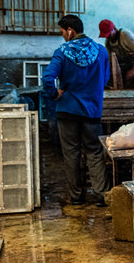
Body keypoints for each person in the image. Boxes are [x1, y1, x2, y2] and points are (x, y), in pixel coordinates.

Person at [42, 14, 111, 207]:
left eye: (62, 32)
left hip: (68, 110)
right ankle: (101, 195)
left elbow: (47, 79)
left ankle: (76, 197)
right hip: (92, 111)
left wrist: (54, 94)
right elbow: (104, 80)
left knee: (71, 153)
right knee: (94, 152)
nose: (63, 36)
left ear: (70, 30)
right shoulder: (101, 50)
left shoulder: (62, 51)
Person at [99, 19, 134, 96]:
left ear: (114, 29)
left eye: (109, 34)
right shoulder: (108, 41)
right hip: (126, 65)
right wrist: (109, 73)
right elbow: (110, 59)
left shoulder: (125, 34)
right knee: (126, 90)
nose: (108, 37)